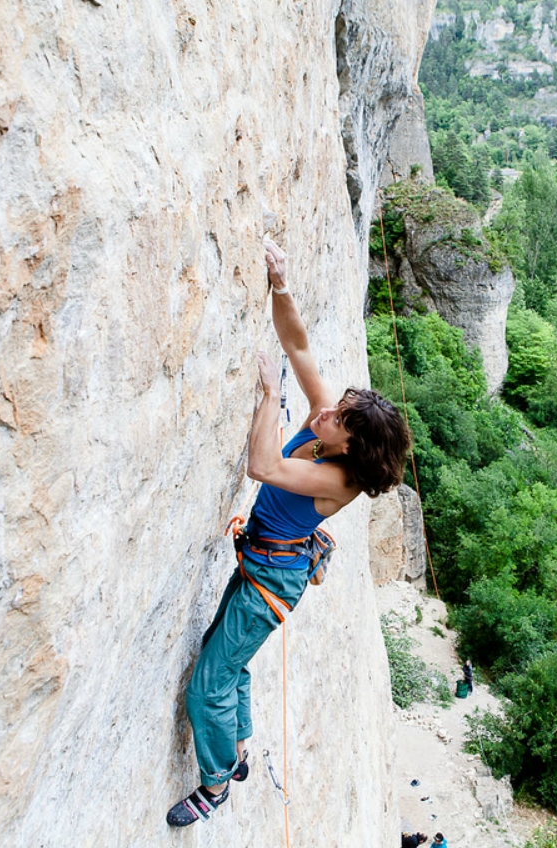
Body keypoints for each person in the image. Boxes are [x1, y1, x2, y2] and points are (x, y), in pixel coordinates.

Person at [167, 238, 414, 827]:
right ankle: (242, 745)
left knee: (207, 685)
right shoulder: (332, 427)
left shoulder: (337, 479)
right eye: (335, 409)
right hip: (265, 561)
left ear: (351, 447)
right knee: (230, 661)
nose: (324, 413)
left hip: (271, 581)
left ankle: (217, 781)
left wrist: (272, 397)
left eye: (336, 419)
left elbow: (265, 467)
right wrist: (281, 283)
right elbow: (298, 343)